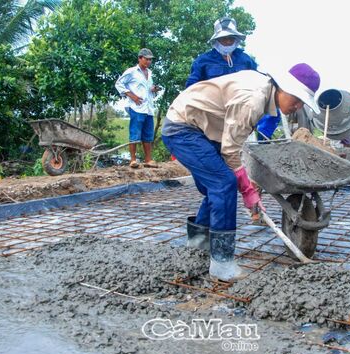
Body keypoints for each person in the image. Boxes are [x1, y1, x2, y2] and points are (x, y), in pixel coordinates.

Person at [162, 63, 321, 281]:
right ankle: (222, 264)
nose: (298, 106)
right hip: (183, 128)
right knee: (223, 184)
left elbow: (233, 143)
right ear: (283, 88)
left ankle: (197, 248)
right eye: (297, 99)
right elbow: (230, 150)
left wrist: (247, 186)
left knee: (216, 186)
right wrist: (247, 190)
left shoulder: (264, 91)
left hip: (204, 130)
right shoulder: (253, 99)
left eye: (302, 102)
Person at [185, 16, 281, 141]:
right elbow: (191, 87)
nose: (227, 42)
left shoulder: (245, 60)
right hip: (214, 108)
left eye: (231, 38)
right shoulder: (203, 61)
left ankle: (260, 143)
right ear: (217, 40)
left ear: (236, 39)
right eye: (224, 39)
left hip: (242, 107)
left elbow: (260, 81)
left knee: (274, 111)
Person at [115, 48, 160, 168]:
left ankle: (148, 160)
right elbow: (118, 84)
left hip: (148, 108)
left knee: (148, 134)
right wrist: (131, 95)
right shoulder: (132, 72)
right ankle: (133, 160)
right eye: (147, 59)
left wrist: (153, 89)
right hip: (136, 107)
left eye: (150, 59)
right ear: (140, 58)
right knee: (135, 133)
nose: (149, 61)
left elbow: (148, 88)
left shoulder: (149, 73)